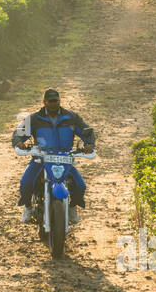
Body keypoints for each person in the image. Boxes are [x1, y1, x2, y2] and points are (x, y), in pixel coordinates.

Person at [11, 88, 94, 224]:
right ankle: (27, 207)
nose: (54, 104)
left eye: (56, 101)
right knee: (25, 183)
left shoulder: (71, 117)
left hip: (65, 158)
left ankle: (72, 207)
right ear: (44, 102)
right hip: (41, 158)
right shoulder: (34, 118)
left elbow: (86, 131)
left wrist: (89, 144)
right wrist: (19, 142)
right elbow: (18, 133)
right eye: (51, 101)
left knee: (80, 186)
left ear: (59, 101)